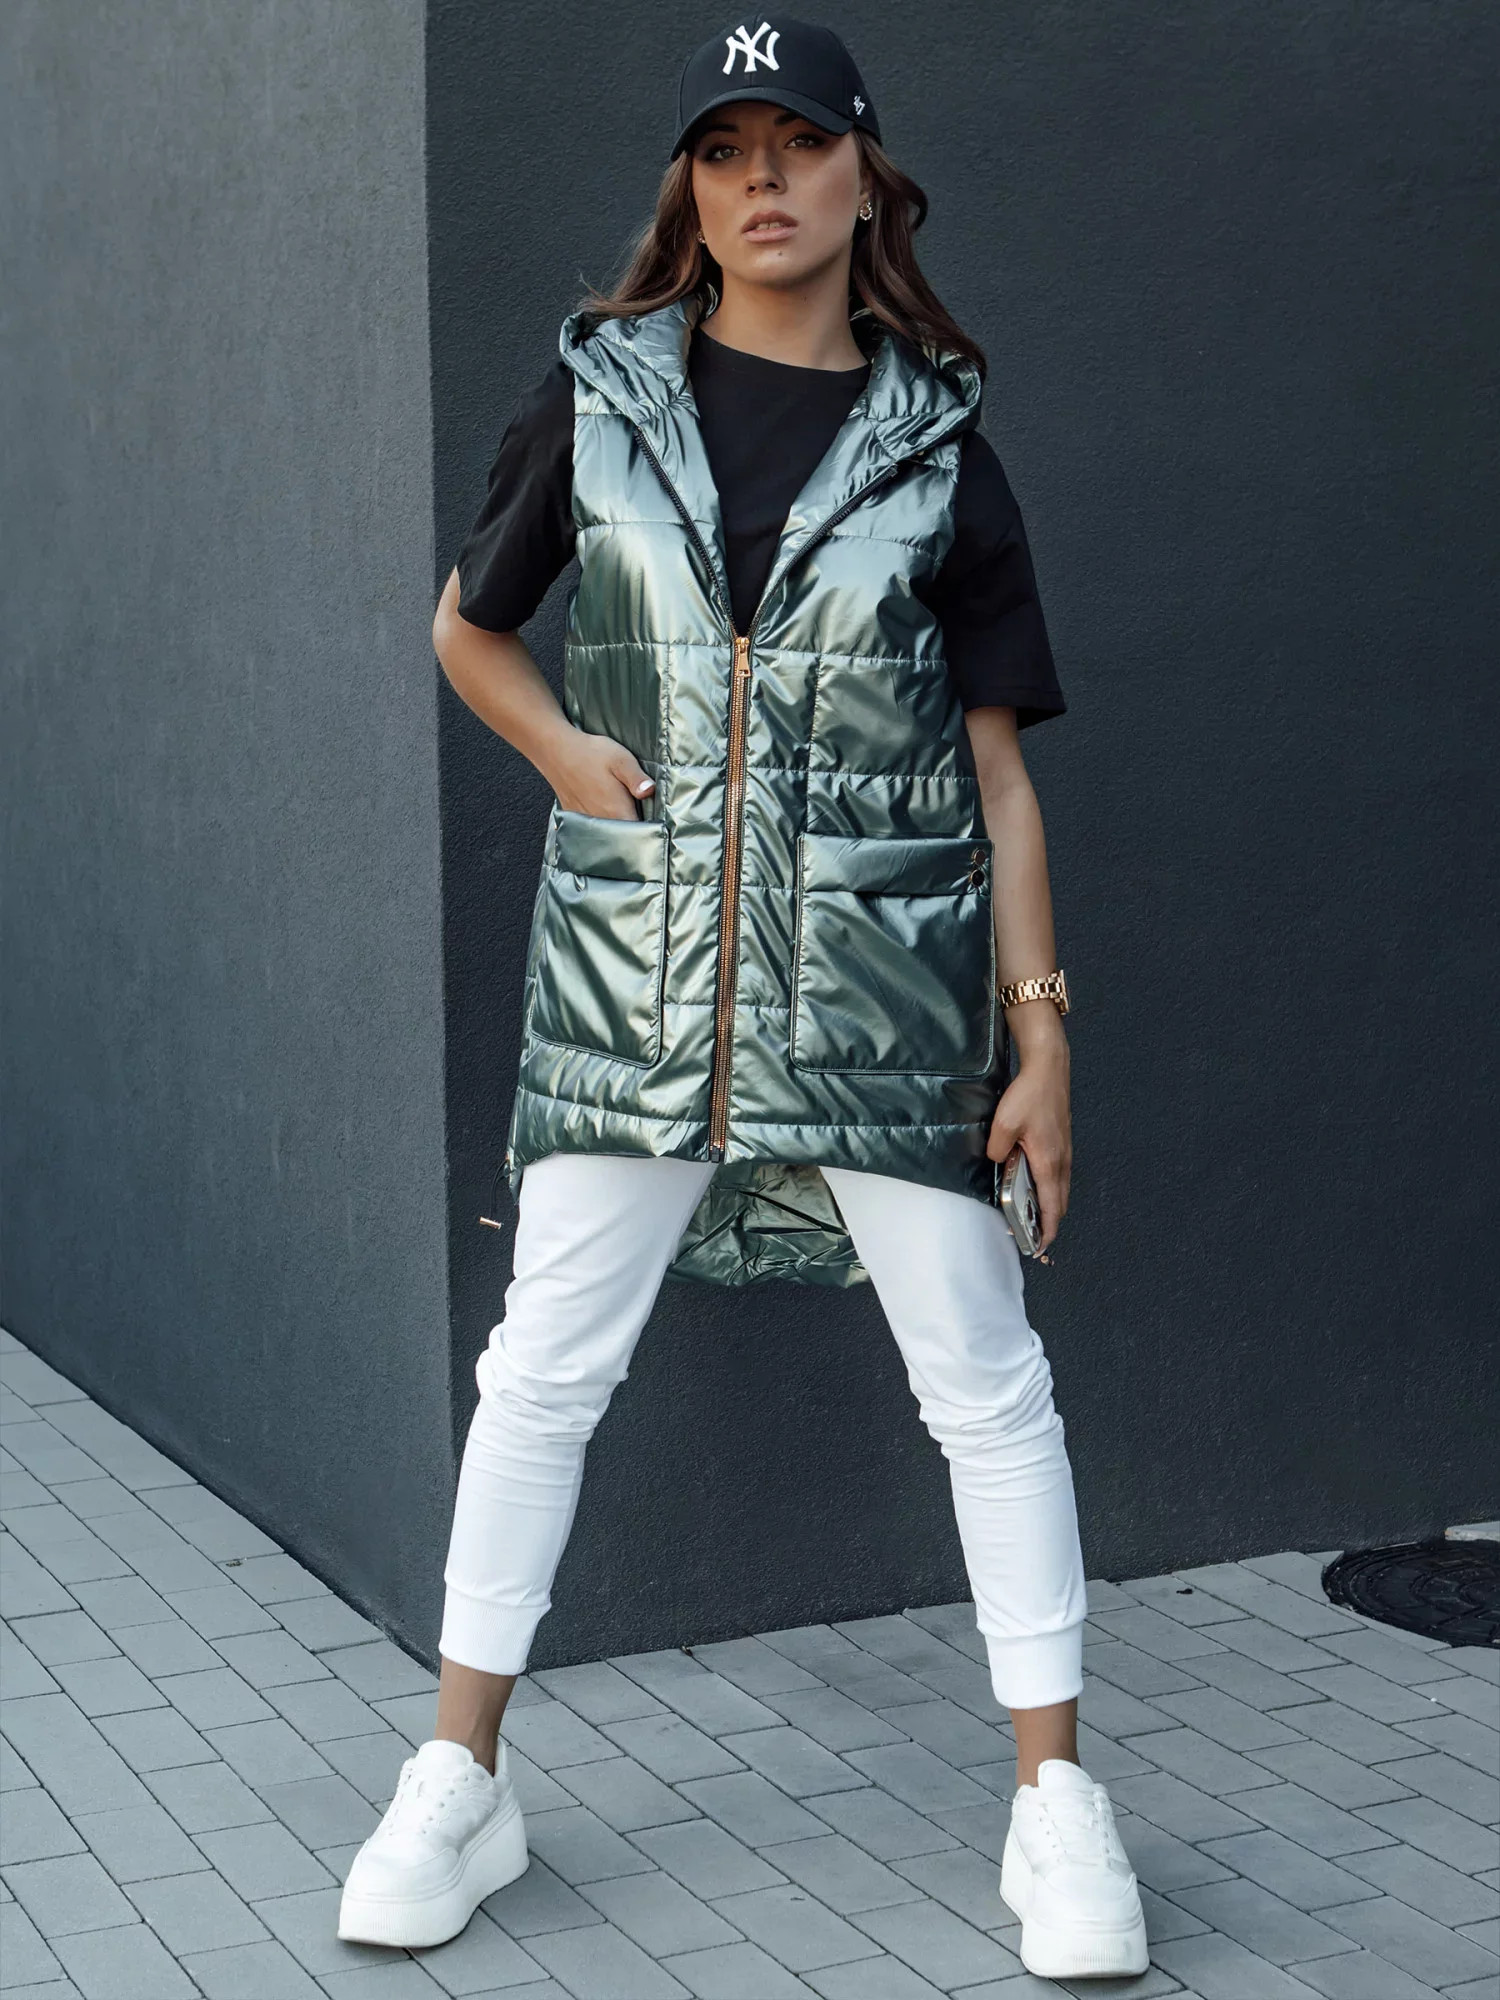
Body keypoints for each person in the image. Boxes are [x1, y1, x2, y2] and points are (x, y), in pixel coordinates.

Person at [337, 14, 1148, 1983]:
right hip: (635, 971)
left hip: (889, 984)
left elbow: (1000, 776)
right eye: (724, 149)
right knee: (542, 1367)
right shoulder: (600, 398)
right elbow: (469, 627)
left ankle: (1056, 1801)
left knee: (983, 1378)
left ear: (870, 177)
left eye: (800, 143)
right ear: (689, 192)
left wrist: (1041, 1030)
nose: (762, 179)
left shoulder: (942, 450)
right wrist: (568, 756)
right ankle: (458, 1773)